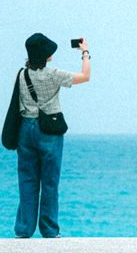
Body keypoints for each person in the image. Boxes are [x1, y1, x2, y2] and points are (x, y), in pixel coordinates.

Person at [14, 32, 91, 238]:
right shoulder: (53, 74)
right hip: (48, 130)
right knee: (49, 181)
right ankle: (49, 229)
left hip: (25, 129)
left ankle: (23, 229)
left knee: (27, 181)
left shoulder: (22, 74)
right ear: (44, 54)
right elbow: (85, 77)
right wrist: (85, 53)